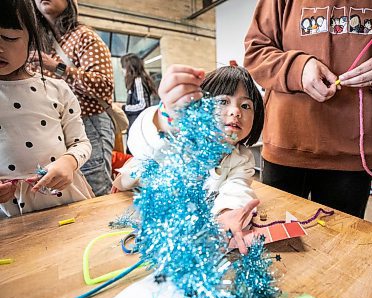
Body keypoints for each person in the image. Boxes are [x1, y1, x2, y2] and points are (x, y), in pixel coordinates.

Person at [244, 1, 372, 218]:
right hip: (285, 148)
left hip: (354, 158)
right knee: (277, 242)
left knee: (341, 247)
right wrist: (298, 69)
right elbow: (255, 52)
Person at [114, 64, 264, 253]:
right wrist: (165, 116)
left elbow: (237, 188)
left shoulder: (242, 158)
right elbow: (144, 143)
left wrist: (228, 213)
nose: (235, 111)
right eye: (223, 101)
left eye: (245, 105)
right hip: (130, 199)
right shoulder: (188, 137)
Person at [0, 0, 93, 217]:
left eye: (9, 38)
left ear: (31, 39)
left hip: (66, 197)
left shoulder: (56, 89)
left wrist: (69, 162)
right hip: (10, 212)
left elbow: (81, 142)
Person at [32, 0, 115, 196]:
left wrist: (57, 68)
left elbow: (104, 86)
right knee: (75, 192)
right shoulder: (41, 42)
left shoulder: (83, 36)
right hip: (56, 129)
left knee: (98, 189)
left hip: (89, 124)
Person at [120, 53, 157, 132]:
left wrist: (123, 107)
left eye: (123, 67)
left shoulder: (138, 81)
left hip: (139, 125)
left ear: (130, 67)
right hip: (138, 124)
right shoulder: (137, 81)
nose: (122, 70)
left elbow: (142, 105)